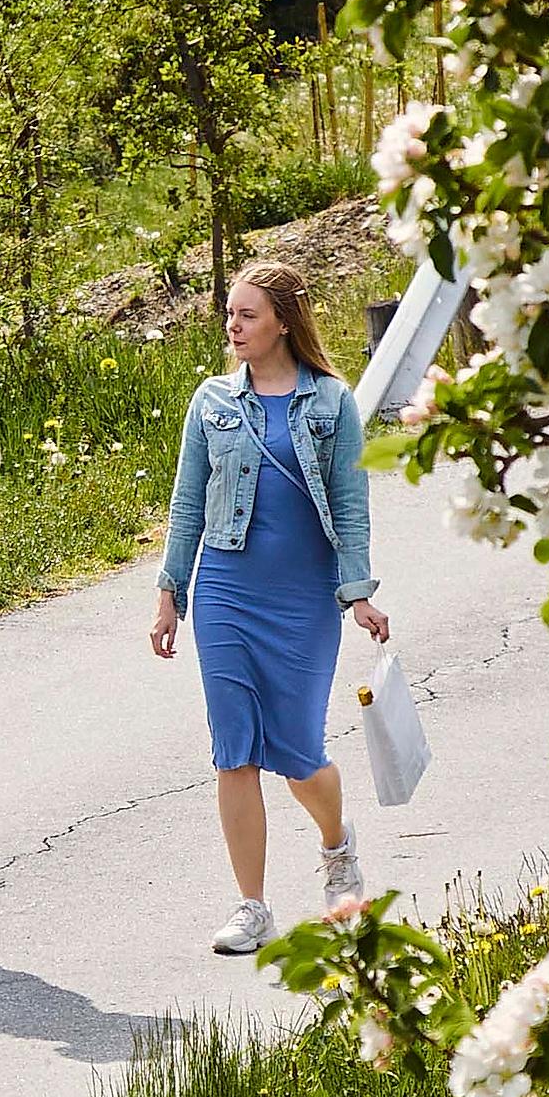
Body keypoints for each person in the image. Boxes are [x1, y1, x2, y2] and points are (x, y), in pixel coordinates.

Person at [152, 259, 391, 958]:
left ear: (284, 321)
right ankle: (252, 906)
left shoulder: (331, 402)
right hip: (227, 587)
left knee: (296, 753)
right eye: (229, 312)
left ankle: (337, 847)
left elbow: (350, 504)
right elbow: (187, 501)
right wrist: (171, 593)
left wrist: (358, 591)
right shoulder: (212, 402)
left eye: (247, 313)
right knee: (234, 749)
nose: (233, 324)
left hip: (301, 597)